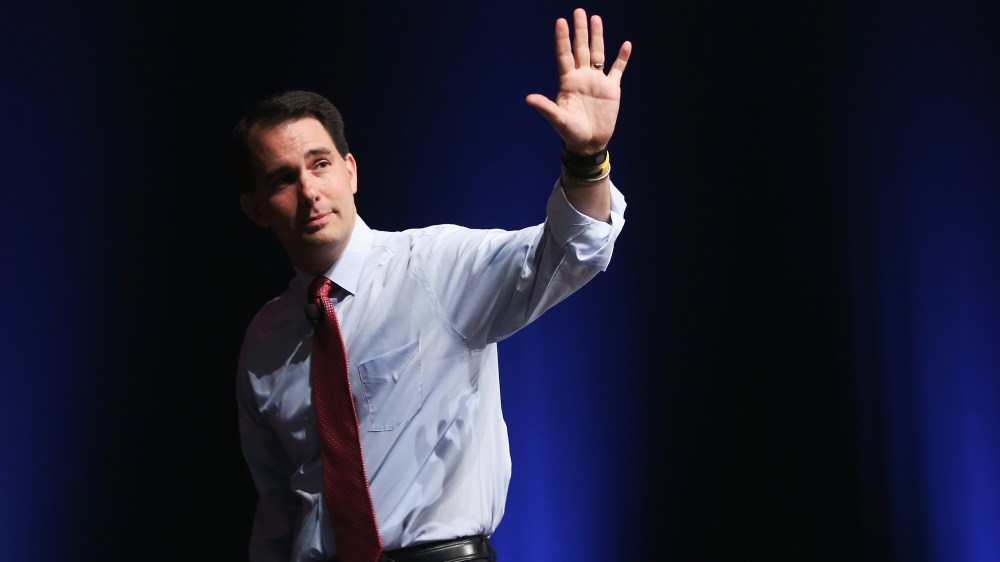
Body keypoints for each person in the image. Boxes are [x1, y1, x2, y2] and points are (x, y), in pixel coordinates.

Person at [233, 8, 632, 562]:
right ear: (256, 208)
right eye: (283, 179)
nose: (309, 191)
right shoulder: (265, 339)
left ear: (350, 171)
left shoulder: (434, 266)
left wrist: (586, 159)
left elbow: (569, 253)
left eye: (319, 164)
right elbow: (277, 508)